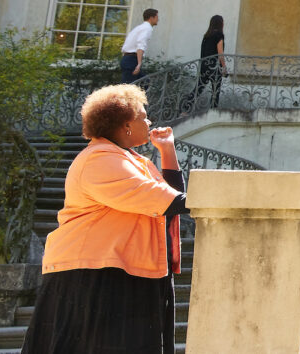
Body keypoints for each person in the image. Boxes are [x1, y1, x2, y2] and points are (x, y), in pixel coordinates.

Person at [21, 84, 189, 354]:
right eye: (143, 116)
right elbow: (166, 201)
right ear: (126, 125)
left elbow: (168, 198)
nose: (149, 121)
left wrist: (167, 150)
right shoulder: (100, 159)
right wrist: (217, 199)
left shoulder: (133, 161)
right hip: (92, 276)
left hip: (124, 271)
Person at [196, 14, 228, 109]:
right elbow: (220, 53)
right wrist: (224, 67)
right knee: (215, 90)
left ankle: (184, 109)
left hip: (205, 66)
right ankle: (213, 111)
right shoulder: (219, 35)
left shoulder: (206, 36)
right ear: (220, 24)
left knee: (198, 89)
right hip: (214, 67)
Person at [120, 8, 159, 83]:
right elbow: (141, 45)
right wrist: (139, 64)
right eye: (157, 17)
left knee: (145, 82)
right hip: (131, 60)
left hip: (128, 59)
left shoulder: (139, 28)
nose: (158, 19)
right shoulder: (147, 28)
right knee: (128, 88)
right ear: (151, 18)